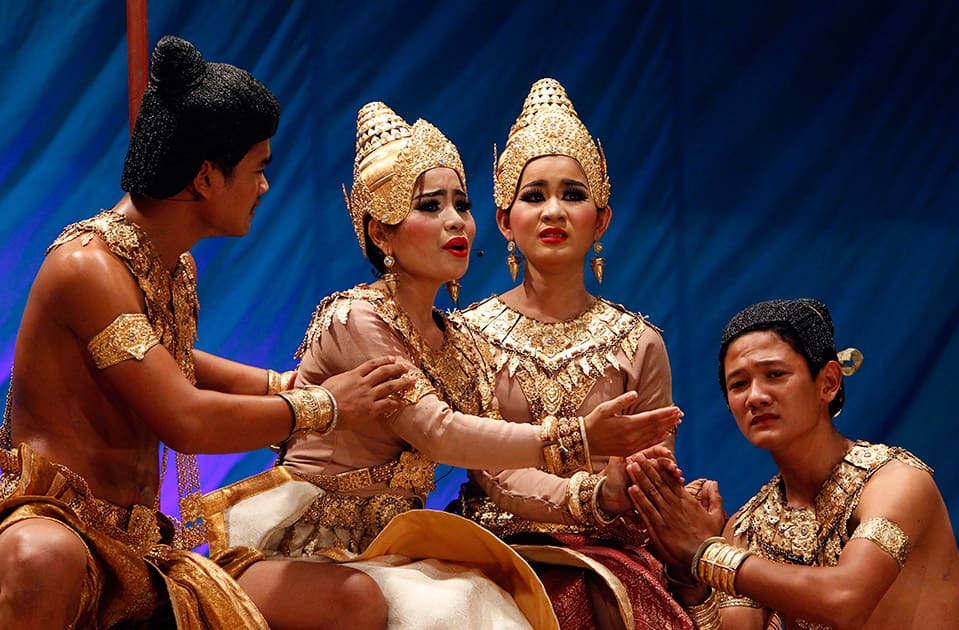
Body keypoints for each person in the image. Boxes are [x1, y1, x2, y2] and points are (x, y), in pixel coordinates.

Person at [204, 101, 682, 630]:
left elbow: (497, 470)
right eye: (430, 206)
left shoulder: (458, 342)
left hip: (391, 548)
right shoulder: (358, 316)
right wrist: (578, 440)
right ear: (381, 234)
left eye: (461, 204)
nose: (455, 221)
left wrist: (601, 492)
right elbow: (439, 433)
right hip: (306, 543)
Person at [0, 36, 413, 629]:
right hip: (61, 529)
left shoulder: (175, 265)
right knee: (42, 556)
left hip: (144, 548)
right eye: (257, 169)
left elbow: (172, 361)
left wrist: (280, 383)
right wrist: (321, 406)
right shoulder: (87, 268)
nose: (265, 188)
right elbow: (185, 419)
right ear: (205, 178)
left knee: (350, 598)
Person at [450, 77, 692, 629]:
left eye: (573, 195)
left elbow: (652, 467)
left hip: (615, 555)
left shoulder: (639, 342)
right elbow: (492, 471)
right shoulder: (467, 336)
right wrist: (596, 491)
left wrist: (630, 487)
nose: (553, 211)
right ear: (506, 222)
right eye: (533, 196)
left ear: (601, 219)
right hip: (495, 549)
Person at [626, 298, 959, 629]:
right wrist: (688, 573)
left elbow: (845, 599)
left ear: (828, 382)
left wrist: (705, 552)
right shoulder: (752, 526)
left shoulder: (895, 482)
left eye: (775, 374)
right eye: (739, 384)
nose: (756, 396)